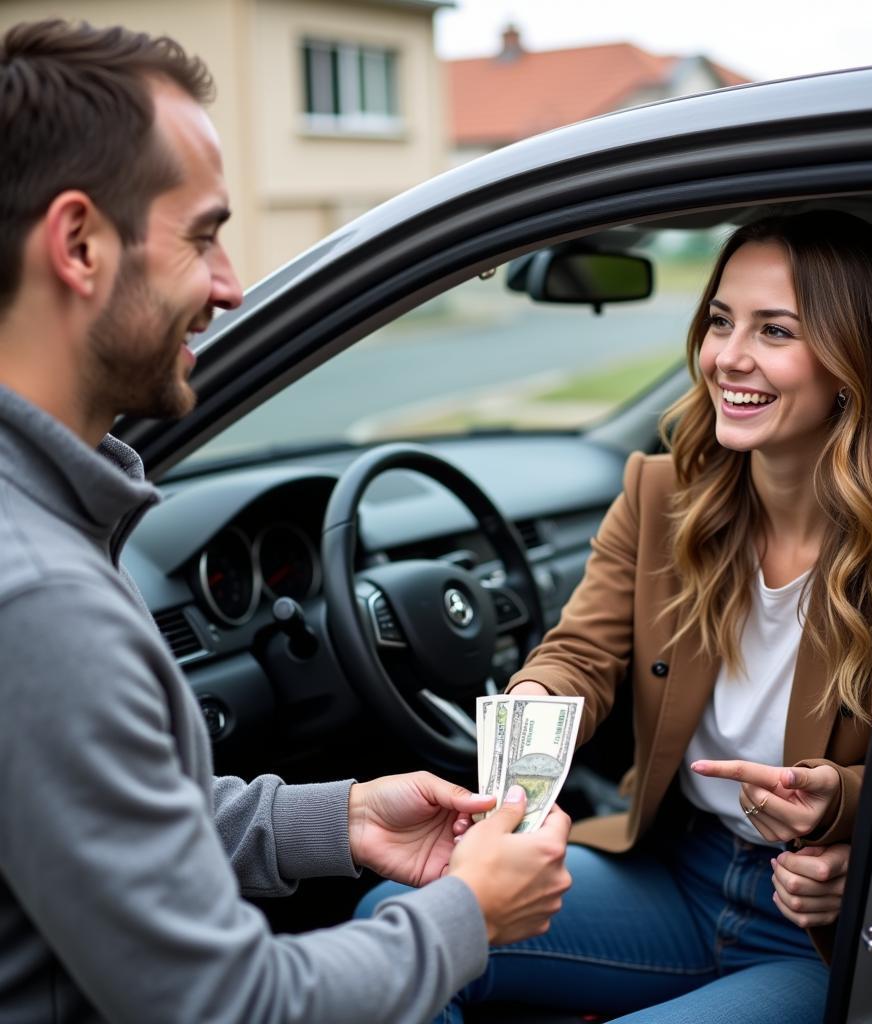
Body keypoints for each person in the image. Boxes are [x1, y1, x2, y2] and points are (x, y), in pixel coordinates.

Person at [0, 19, 571, 1024]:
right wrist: (469, 913)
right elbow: (230, 1005)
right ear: (79, 243)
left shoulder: (43, 526)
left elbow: (109, 829)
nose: (229, 287)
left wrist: (338, 818)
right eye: (205, 234)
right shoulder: (42, 603)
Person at [362, 209, 872, 1023]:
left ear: (854, 360)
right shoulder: (660, 494)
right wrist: (534, 715)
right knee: (394, 929)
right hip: (674, 874)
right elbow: (580, 651)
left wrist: (845, 807)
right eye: (719, 321)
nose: (727, 358)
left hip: (813, 928)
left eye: (774, 331)